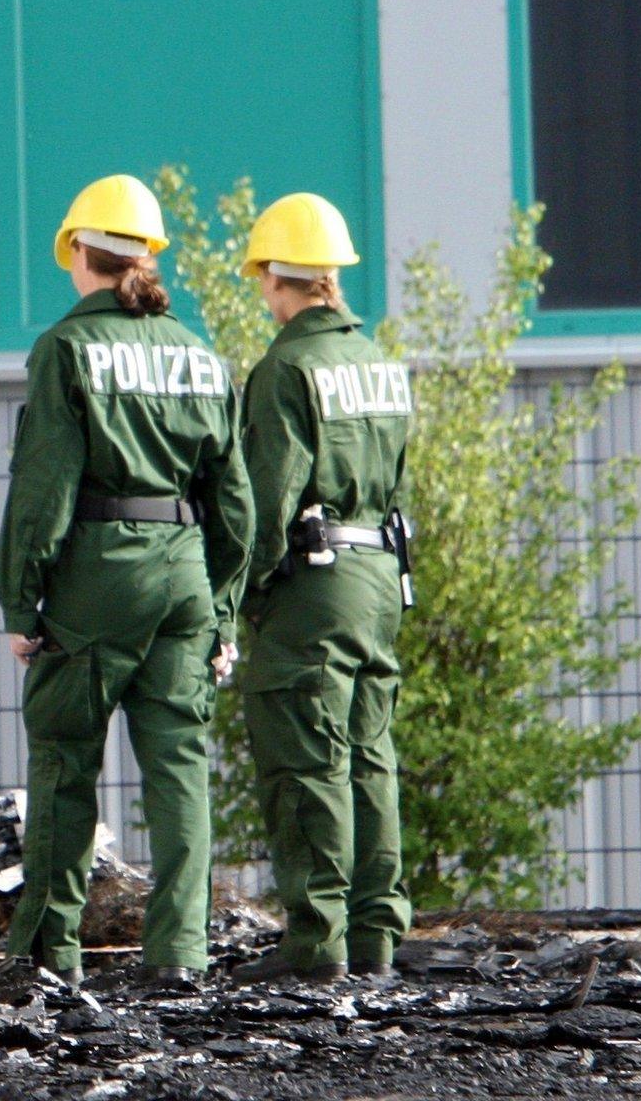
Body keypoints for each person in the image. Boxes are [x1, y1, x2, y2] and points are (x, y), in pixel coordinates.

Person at [0, 173, 252, 988]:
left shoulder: (67, 349)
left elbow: (43, 489)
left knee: (66, 759)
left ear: (79, 253)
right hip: (184, 574)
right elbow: (237, 502)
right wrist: (223, 612)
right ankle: (180, 955)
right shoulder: (200, 358)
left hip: (98, 575)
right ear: (145, 258)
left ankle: (48, 950)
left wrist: (20, 599)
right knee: (179, 767)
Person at [231, 192, 414, 986]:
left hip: (315, 582)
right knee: (371, 758)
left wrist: (240, 595)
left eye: (261, 279)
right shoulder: (380, 363)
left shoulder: (287, 369)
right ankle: (377, 938)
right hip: (379, 579)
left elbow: (268, 502)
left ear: (277, 277)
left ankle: (316, 944)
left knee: (306, 760)